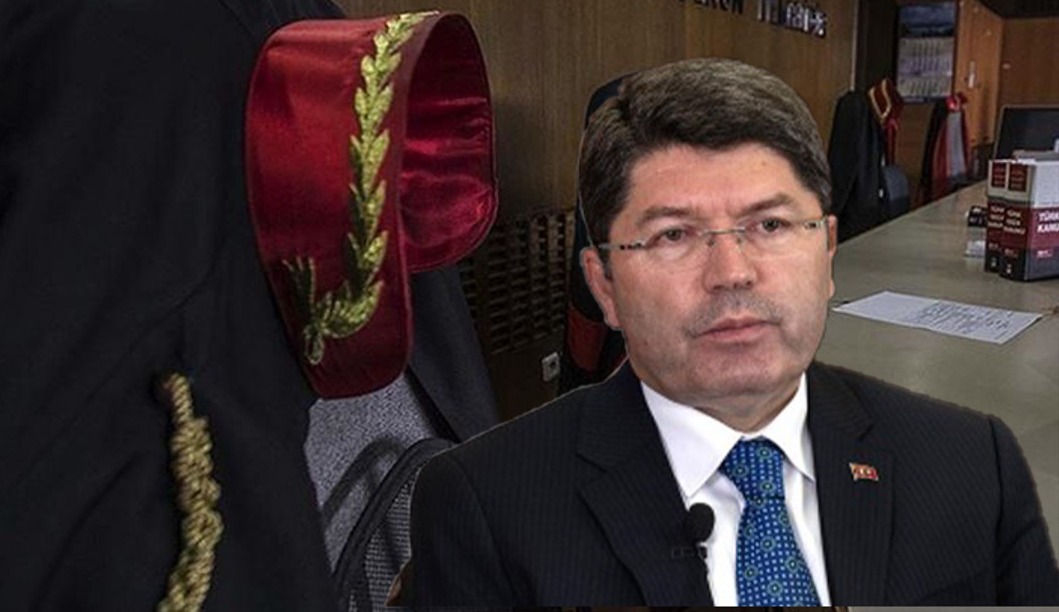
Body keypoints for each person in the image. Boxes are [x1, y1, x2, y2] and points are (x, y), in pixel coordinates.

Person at [405, 58, 1059, 606]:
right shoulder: (484, 506)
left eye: (771, 225)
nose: (732, 273)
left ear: (827, 252)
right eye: (673, 235)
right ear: (605, 287)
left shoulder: (972, 462)